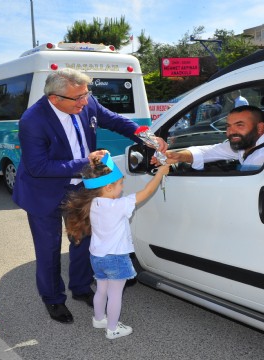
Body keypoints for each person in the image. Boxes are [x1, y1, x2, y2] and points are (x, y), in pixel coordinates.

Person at [12, 68, 167, 324]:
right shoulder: (32, 120)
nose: (85, 102)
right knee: (48, 250)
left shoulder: (86, 101)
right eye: (78, 98)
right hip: (43, 192)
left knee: (83, 241)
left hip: (80, 188)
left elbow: (116, 120)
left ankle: (81, 287)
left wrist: (146, 137)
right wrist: (86, 161)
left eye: (87, 94)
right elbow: (39, 167)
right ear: (55, 99)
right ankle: (53, 299)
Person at [63, 153, 169, 339]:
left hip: (97, 257)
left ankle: (99, 319)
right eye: (120, 184)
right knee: (115, 295)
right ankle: (112, 329)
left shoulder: (93, 203)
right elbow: (146, 192)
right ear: (109, 187)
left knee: (101, 290)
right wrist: (160, 173)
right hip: (116, 258)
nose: (122, 188)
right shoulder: (118, 205)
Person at [158, 105, 264, 171]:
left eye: (240, 125)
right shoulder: (247, 143)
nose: (231, 131)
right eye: (228, 126)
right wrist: (178, 156)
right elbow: (209, 152)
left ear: (260, 128)